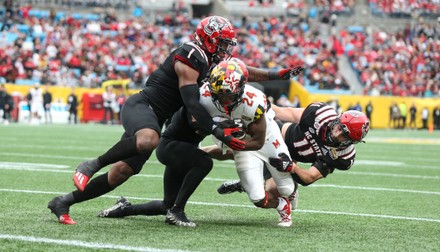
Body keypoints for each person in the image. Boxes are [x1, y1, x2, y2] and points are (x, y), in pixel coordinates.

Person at [47, 15, 303, 225]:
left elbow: (244, 71)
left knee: (122, 172)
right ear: (210, 40)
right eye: (223, 43)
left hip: (156, 119)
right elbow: (191, 102)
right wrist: (217, 129)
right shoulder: (191, 55)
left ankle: (64, 201)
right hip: (143, 106)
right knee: (149, 140)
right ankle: (91, 164)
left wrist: (278, 74)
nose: (227, 49)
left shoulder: (211, 61)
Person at [97, 59, 297, 227]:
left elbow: (258, 140)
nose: (225, 100)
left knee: (167, 203)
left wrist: (232, 138)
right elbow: (198, 121)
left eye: (229, 94)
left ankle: (125, 208)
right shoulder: (202, 97)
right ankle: (178, 211)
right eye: (221, 94)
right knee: (207, 166)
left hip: (249, 140)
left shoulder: (254, 101)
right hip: (175, 144)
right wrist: (224, 134)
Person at [208, 102, 370, 203]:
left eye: (344, 137)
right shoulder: (321, 114)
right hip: (280, 136)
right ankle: (201, 152)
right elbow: (287, 113)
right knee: (235, 149)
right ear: (337, 119)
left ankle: (244, 185)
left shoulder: (343, 156)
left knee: (270, 190)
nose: (336, 134)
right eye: (340, 128)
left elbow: (309, 178)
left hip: (290, 158)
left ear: (352, 142)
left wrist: (291, 167)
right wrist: (264, 105)